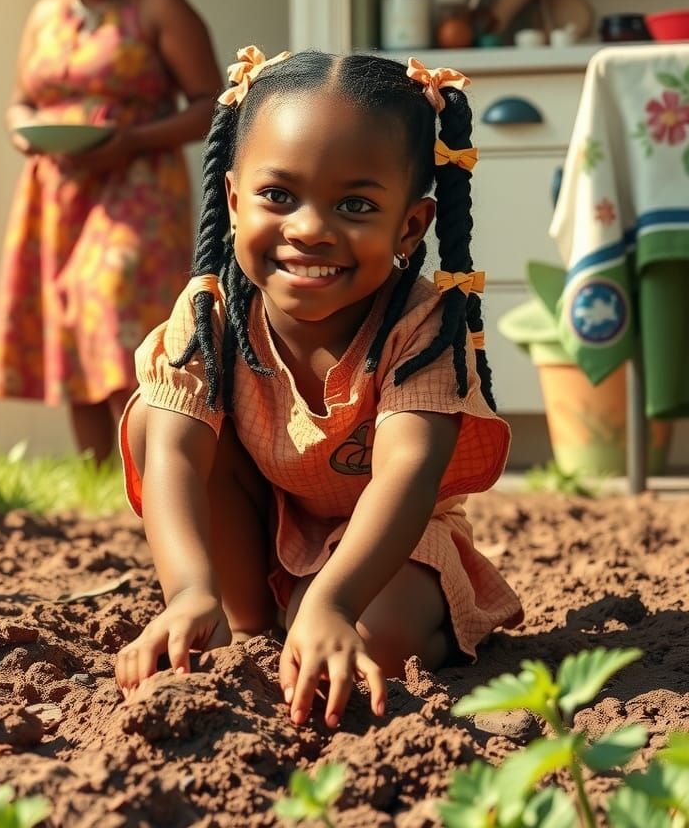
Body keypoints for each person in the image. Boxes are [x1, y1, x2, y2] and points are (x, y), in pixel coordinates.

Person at [114, 47, 524, 727]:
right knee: (154, 421)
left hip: (387, 543)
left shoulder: (422, 327)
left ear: (410, 226)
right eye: (279, 196)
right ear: (234, 198)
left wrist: (333, 601)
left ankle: (314, 613)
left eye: (356, 204)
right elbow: (176, 457)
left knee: (376, 642)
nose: (309, 229)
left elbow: (407, 471)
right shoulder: (209, 318)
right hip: (264, 528)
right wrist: (187, 591)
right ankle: (246, 622)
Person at [0, 0, 222, 463]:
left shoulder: (159, 5)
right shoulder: (44, 16)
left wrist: (131, 140)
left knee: (114, 306)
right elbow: (21, 100)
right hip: (55, 191)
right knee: (68, 320)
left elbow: (212, 106)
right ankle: (96, 484)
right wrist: (21, 132)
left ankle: (153, 477)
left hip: (137, 185)